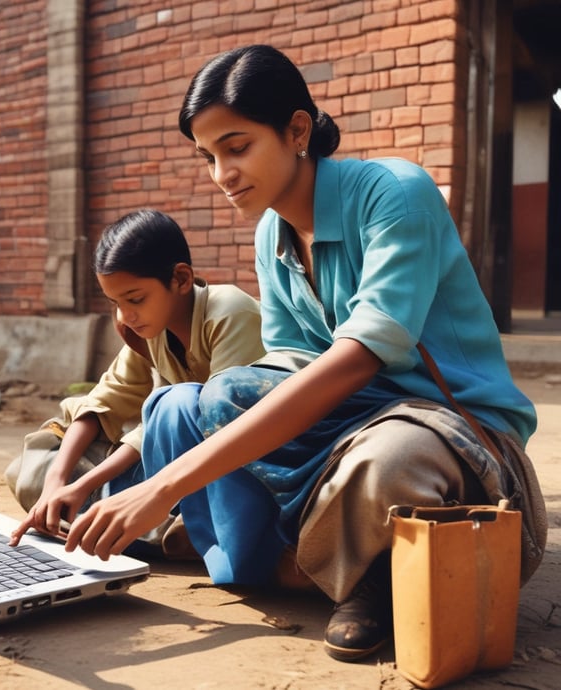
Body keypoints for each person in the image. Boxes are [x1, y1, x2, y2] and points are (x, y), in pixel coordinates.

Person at [60, 45, 547, 662]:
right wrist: (203, 424)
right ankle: (336, 556)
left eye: (236, 148)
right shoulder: (273, 232)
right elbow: (290, 363)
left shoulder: (395, 195)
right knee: (196, 400)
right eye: (208, 156)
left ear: (296, 130)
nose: (222, 174)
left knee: (392, 457)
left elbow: (358, 357)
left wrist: (162, 486)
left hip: (452, 427)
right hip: (350, 418)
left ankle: (336, 567)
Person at [8, 208, 266, 549]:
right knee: (36, 468)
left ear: (182, 279)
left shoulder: (230, 312)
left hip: (229, 464)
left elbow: (211, 427)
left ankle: (182, 527)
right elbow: (103, 402)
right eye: (115, 302)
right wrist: (55, 484)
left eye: (135, 299)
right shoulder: (148, 328)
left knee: (178, 403)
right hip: (168, 464)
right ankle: (160, 527)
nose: (126, 315)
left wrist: (85, 486)